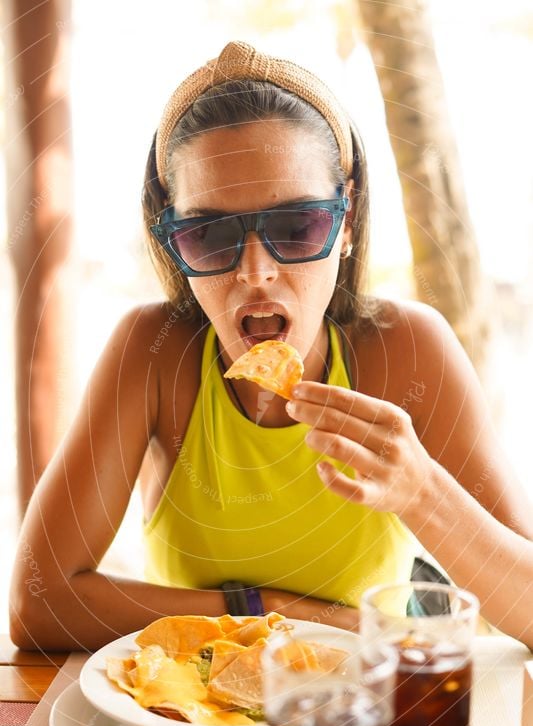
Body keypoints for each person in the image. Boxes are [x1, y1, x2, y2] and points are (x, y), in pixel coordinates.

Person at [9, 41, 533, 651]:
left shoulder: (409, 351)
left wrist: (422, 492)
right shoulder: (149, 355)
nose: (255, 272)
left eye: (296, 226)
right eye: (209, 234)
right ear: (174, 243)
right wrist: (274, 612)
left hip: (353, 722)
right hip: (188, 719)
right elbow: (37, 605)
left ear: (346, 222)